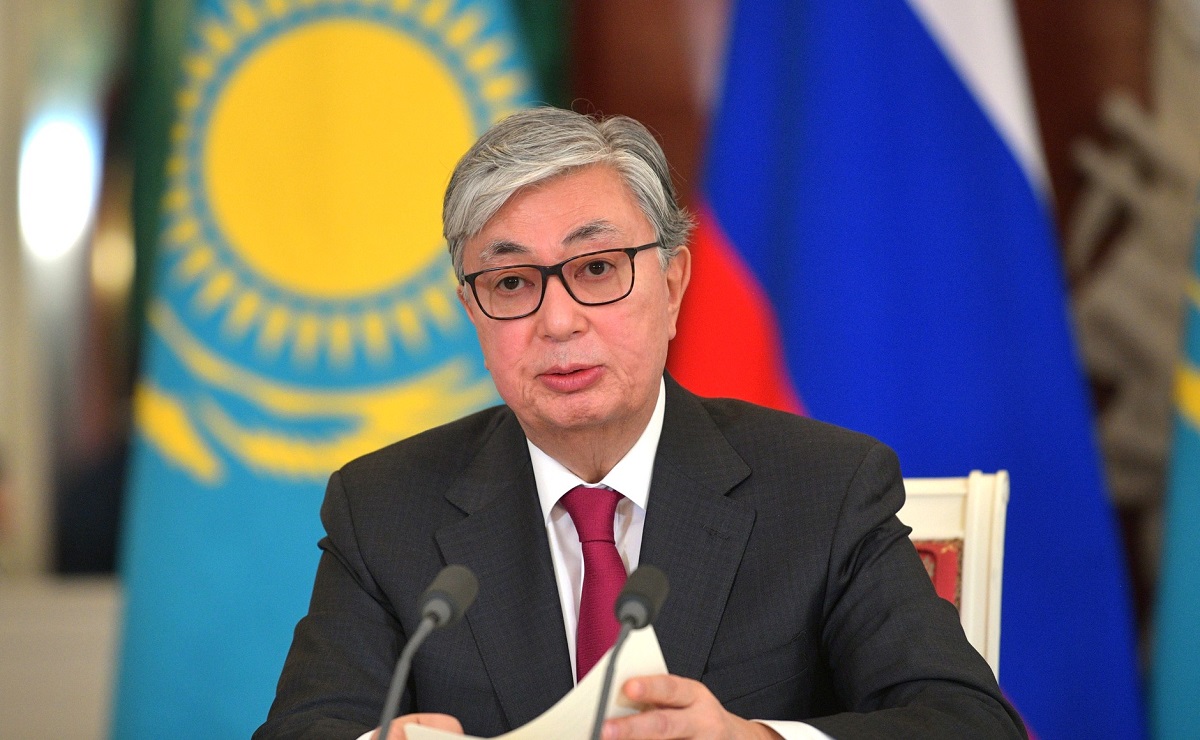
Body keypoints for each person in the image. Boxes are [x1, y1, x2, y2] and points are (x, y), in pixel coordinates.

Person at [255, 107, 1026, 740]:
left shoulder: (824, 488)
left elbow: (966, 724)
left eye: (596, 269)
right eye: (512, 282)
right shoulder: (386, 507)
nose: (559, 322)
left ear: (673, 284)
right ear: (473, 312)